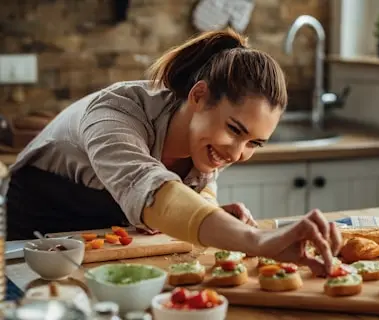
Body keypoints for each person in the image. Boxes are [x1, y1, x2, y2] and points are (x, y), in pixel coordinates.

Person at [6, 29, 341, 276]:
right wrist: (257, 240)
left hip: (107, 241)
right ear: (198, 96)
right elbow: (152, 190)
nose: (237, 153)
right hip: (33, 236)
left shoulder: (208, 139)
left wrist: (213, 214)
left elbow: (193, 193)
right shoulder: (115, 113)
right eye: (236, 130)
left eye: (254, 142)